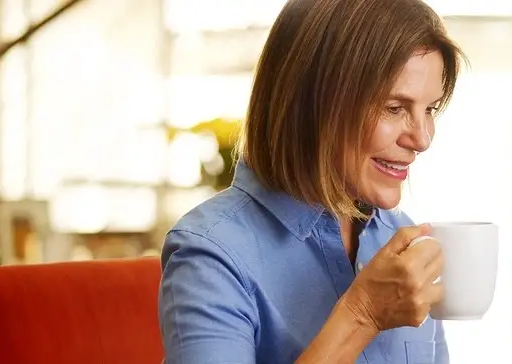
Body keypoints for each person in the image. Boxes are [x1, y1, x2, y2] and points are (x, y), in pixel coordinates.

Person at [158, 0, 465, 363]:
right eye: (394, 108)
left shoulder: (403, 239)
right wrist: (361, 314)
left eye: (429, 110)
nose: (422, 139)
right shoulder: (211, 255)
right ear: (312, 104)